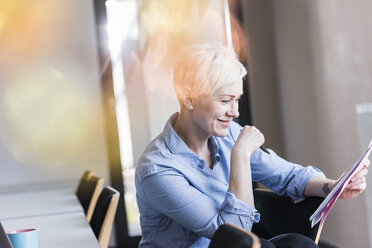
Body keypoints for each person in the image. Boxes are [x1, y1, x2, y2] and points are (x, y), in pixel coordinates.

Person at [135, 44, 369, 248]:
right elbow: (236, 234)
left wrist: (333, 186)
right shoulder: (157, 170)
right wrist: (241, 156)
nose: (235, 112)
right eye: (225, 100)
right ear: (188, 98)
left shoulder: (226, 134)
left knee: (298, 244)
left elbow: (287, 175)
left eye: (237, 99)